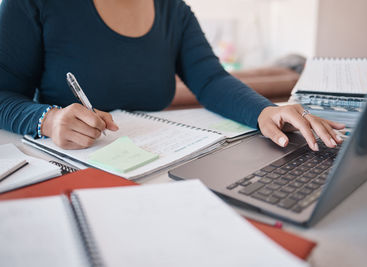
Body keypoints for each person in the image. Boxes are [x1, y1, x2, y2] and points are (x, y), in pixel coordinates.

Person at [0, 0, 344, 151]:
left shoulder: (174, 10)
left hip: (153, 166)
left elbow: (210, 80)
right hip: (68, 167)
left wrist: (265, 110)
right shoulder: (33, 3)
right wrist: (47, 119)